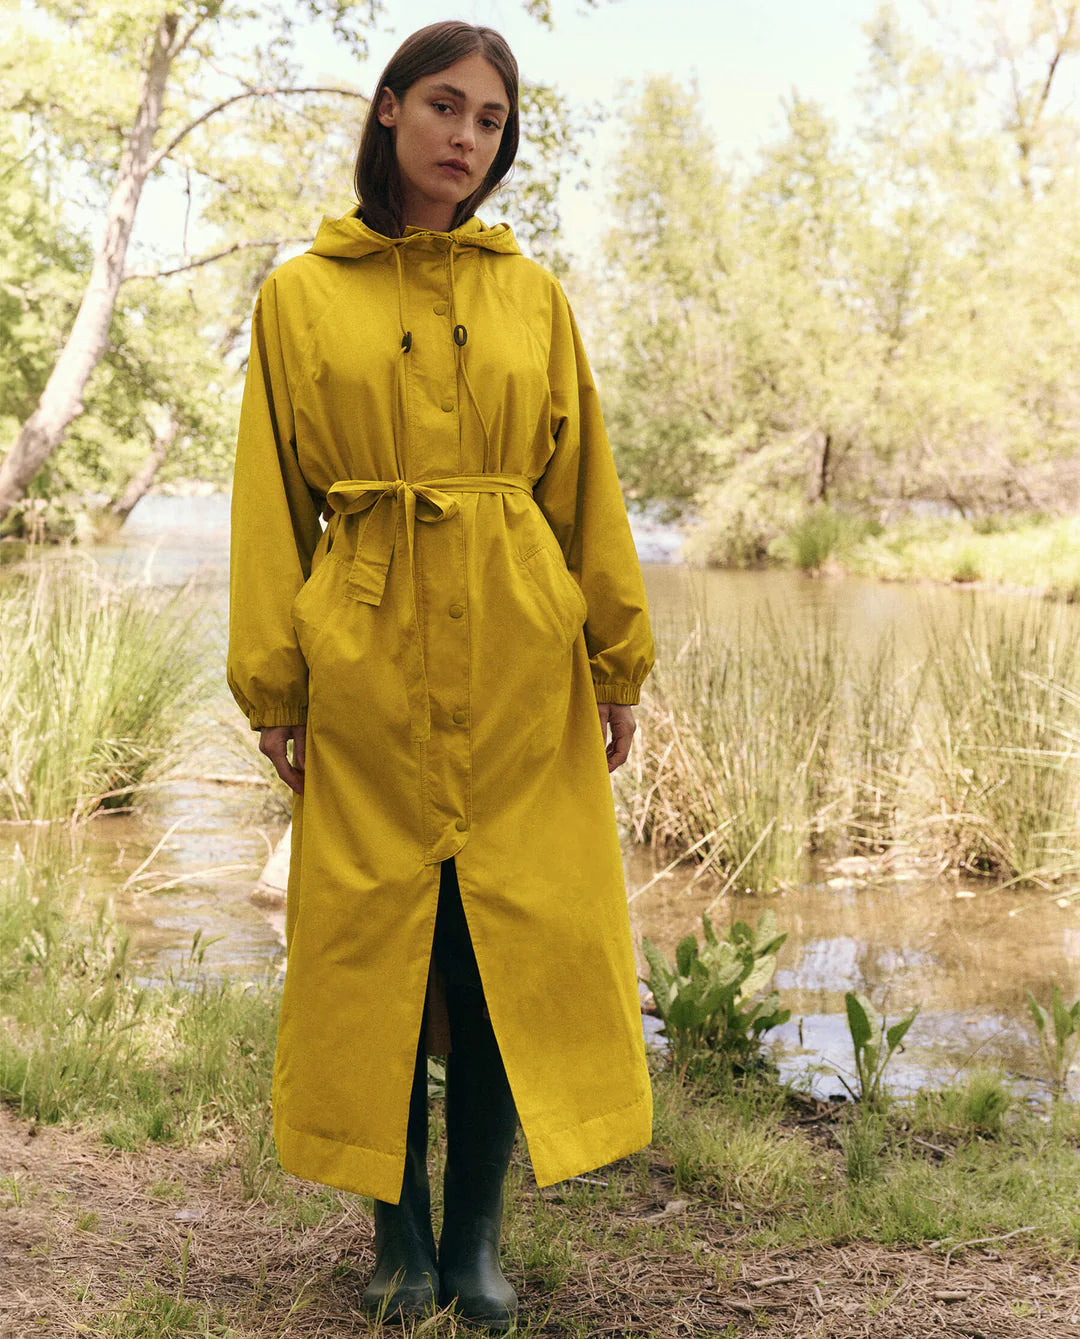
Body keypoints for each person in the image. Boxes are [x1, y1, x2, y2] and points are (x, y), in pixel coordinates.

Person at [226, 19, 656, 1332]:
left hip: (524, 652)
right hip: (365, 650)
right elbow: (269, 508)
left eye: (491, 119)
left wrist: (616, 658)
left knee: (501, 949)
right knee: (375, 954)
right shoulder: (301, 293)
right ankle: (394, 1241)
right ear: (390, 111)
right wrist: (278, 689)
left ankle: (473, 1245)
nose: (468, 137)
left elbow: (585, 488)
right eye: (447, 108)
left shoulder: (534, 296)